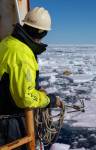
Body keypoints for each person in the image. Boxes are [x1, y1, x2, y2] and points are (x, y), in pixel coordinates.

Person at [0, 7, 63, 149]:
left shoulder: (7, 43)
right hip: (9, 123)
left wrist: (35, 88)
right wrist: (49, 100)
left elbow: (11, 80)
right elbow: (25, 98)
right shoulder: (23, 54)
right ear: (43, 32)